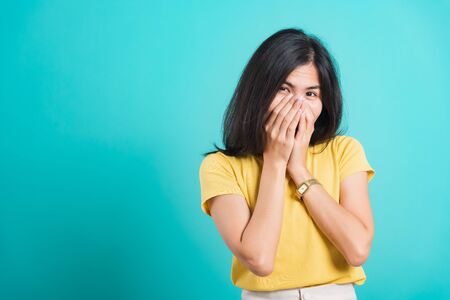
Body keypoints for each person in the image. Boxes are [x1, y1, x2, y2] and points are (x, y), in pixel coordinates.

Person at [198, 27, 376, 300]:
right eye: (283, 89)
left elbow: (357, 250)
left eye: (310, 94)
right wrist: (275, 162)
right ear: (259, 92)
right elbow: (260, 260)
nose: (297, 105)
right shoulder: (221, 167)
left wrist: (299, 169)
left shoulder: (345, 151)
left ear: (323, 102)